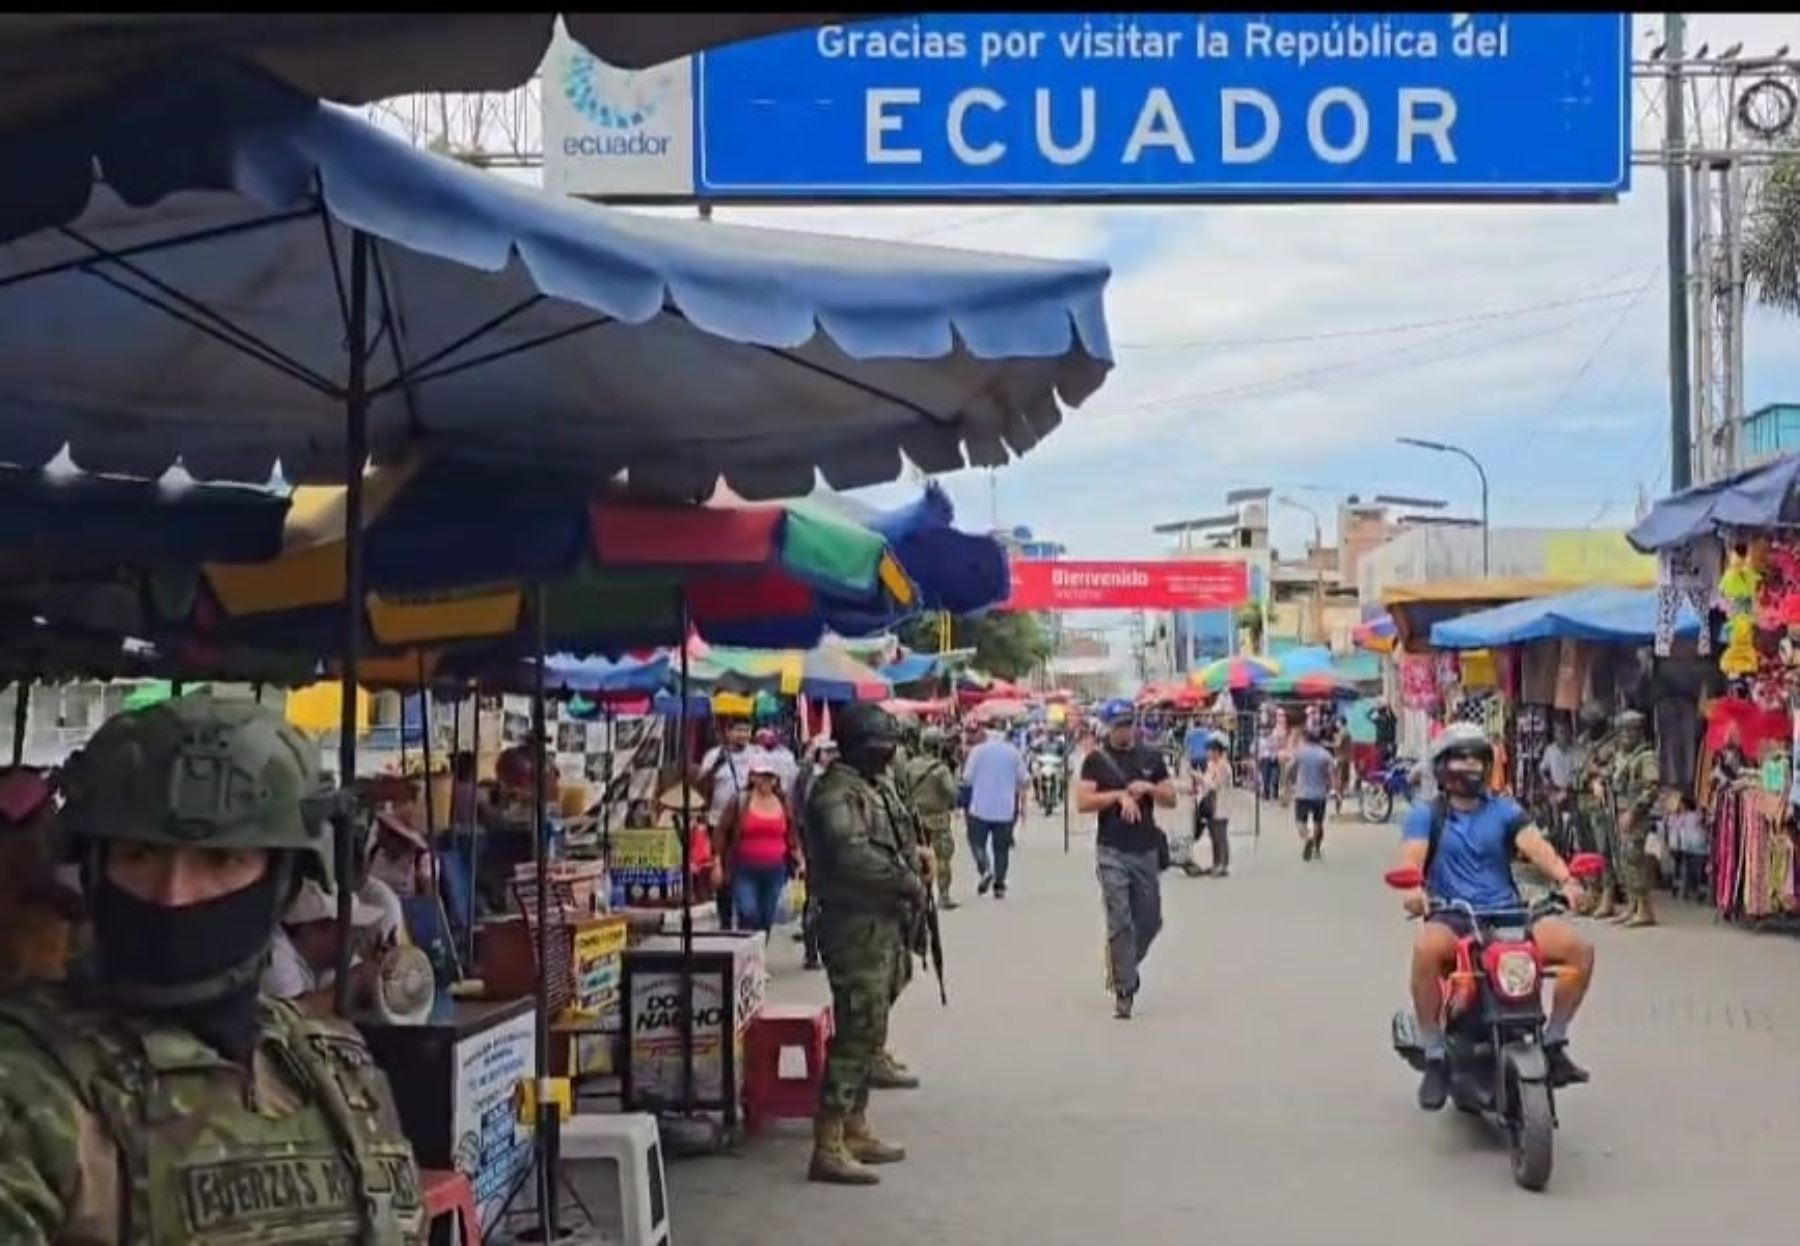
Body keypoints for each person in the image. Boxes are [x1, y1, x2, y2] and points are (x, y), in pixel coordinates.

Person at [0, 696, 424, 1241]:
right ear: (94, 869)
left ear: (284, 883)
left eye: (220, 861)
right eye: (138, 856)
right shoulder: (26, 1087)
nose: (173, 896)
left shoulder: (335, 1068)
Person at [1393, 723, 1595, 1111]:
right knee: (1425, 950)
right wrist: (1414, 891)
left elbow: (1537, 847)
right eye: (1461, 757)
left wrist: (1568, 881)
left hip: (1510, 914)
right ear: (1443, 766)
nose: (1470, 765)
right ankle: (1435, 1053)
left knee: (1578, 953)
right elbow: (1412, 859)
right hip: (1455, 917)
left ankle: (1553, 1040)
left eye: (1477, 757)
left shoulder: (1504, 810)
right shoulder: (1426, 815)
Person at [805, 703, 930, 1186]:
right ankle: (829, 1141)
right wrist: (904, 879)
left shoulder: (869, 786)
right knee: (857, 1025)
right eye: (881, 746)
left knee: (872, 1019)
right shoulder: (836, 793)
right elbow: (851, 855)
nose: (889, 755)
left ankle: (855, 1125)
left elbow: (885, 837)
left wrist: (914, 857)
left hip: (881, 921)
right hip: (853, 923)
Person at [1077, 708, 1176, 1021]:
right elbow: (1082, 802)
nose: (1126, 731)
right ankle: (1124, 989)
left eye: (1129, 724)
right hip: (1112, 850)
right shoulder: (1096, 760)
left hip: (1145, 849)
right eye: (1120, 725)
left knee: (1149, 921)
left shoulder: (1150, 757)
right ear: (1108, 728)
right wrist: (1119, 795)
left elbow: (1171, 797)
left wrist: (1149, 789)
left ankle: (1124, 964)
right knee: (1120, 918)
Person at [263, 876, 389, 1019]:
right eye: (352, 927)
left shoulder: (328, 960)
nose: (358, 935)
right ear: (319, 926)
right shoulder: (274, 955)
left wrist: (383, 966)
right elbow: (290, 1020)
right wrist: (358, 979)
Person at [714, 760, 802, 935]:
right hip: (744, 868)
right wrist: (717, 863)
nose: (766, 781)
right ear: (753, 777)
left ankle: (758, 955)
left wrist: (800, 859)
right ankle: (746, 949)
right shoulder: (740, 800)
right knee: (748, 911)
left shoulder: (782, 802)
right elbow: (722, 831)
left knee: (767, 916)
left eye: (770, 777)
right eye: (761, 776)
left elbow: (791, 833)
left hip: (775, 869)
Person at [1609, 709, 1662, 929]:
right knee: (1623, 861)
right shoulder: (1623, 755)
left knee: (1634, 859)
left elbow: (1651, 788)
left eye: (1628, 731)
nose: (1624, 736)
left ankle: (1645, 909)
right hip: (1620, 811)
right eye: (1622, 732)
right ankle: (1632, 906)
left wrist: (1633, 811)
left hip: (1635, 814)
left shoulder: (1645, 757)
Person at [961, 725, 1028, 899]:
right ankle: (999, 886)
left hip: (980, 808)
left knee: (976, 842)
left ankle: (985, 869)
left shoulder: (977, 751)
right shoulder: (1013, 752)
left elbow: (967, 778)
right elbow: (1024, 778)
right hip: (1005, 809)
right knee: (1001, 849)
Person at [904, 726, 962, 910]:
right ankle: (943, 895)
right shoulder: (941, 769)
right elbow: (952, 793)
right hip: (938, 819)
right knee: (943, 859)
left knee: (915, 858)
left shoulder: (909, 766)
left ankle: (919, 895)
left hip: (916, 819)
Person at [792, 735, 836, 971]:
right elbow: (798, 814)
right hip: (814, 850)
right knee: (815, 904)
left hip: (838, 851)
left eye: (834, 752)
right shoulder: (809, 778)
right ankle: (811, 952)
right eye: (827, 752)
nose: (832, 756)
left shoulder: (842, 779)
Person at [1574, 703, 1622, 918]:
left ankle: (1608, 894)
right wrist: (1586, 774)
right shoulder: (1583, 741)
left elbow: (1617, 772)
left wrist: (1598, 772)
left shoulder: (1614, 743)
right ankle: (1592, 890)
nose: (1589, 728)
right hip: (1581, 799)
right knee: (1586, 849)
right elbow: (1576, 768)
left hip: (1600, 802)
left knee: (1604, 850)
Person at [1291, 728, 1337, 861]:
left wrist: (1286, 784)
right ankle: (1316, 848)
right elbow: (1332, 773)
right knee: (1318, 822)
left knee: (1300, 822)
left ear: (1306, 739)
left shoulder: (1300, 752)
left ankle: (1307, 838)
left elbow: (1289, 767)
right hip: (1320, 794)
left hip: (1302, 793)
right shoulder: (1325, 754)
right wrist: (1335, 790)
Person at [1194, 737, 1234, 878]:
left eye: (1209, 751)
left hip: (1221, 803)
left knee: (1220, 835)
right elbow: (1206, 783)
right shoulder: (1211, 765)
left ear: (1217, 751)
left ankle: (1223, 864)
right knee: (1213, 835)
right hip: (1210, 804)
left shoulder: (1224, 766)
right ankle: (1215, 863)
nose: (1208, 754)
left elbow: (1215, 785)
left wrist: (1201, 778)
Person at [1370, 697, 1399, 765]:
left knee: (1388, 761)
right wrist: (1374, 708)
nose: (1382, 715)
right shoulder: (1378, 721)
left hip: (1387, 744)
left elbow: (1368, 716)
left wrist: (1390, 709)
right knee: (1382, 761)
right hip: (1382, 744)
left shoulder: (1388, 720)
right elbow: (1368, 717)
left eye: (1382, 712)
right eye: (1381, 713)